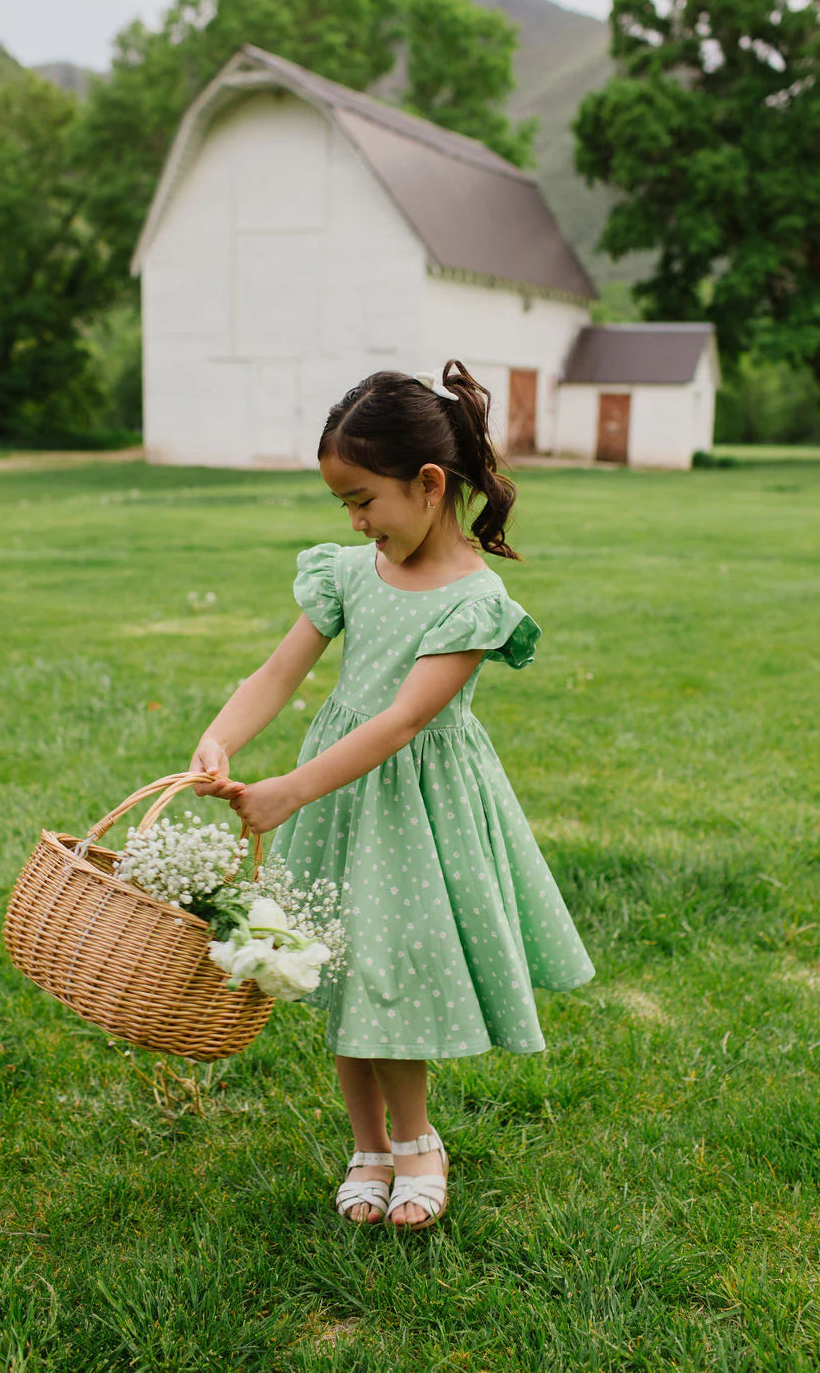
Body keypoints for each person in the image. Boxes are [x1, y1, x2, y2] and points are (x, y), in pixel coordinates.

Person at [189, 360, 595, 1230]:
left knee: (389, 968)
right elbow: (277, 672)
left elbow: (403, 723)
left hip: (413, 806)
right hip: (339, 798)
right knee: (338, 965)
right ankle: (367, 1145)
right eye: (344, 505)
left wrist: (287, 792)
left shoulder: (475, 601)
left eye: (363, 499)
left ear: (429, 483)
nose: (357, 520)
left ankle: (418, 1144)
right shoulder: (347, 573)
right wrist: (224, 736)